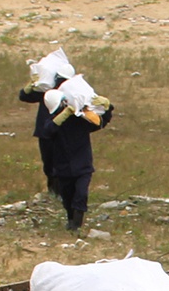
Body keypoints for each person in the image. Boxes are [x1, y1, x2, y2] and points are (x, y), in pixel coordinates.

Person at [20, 64, 113, 231]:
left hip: (83, 165)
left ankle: (76, 223)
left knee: (80, 195)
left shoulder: (78, 119)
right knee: (67, 196)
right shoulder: (51, 120)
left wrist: (107, 107)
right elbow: (47, 130)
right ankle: (69, 217)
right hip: (63, 168)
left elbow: (98, 123)